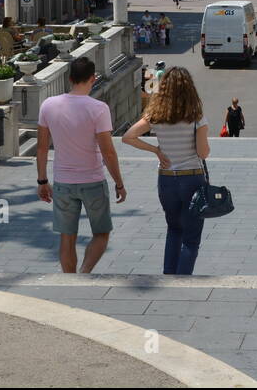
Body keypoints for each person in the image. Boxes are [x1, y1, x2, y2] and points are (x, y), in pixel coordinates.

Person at [37, 57, 126, 274]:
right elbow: (108, 151)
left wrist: (42, 181)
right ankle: (85, 272)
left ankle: (69, 279)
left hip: (63, 183)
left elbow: (41, 148)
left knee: (67, 238)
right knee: (102, 233)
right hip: (93, 180)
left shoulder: (48, 105)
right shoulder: (99, 108)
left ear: (69, 78)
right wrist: (119, 183)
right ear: (93, 79)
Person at [121, 67, 210, 276]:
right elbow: (203, 153)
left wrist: (156, 150)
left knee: (174, 229)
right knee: (191, 237)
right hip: (192, 178)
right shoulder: (196, 117)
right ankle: (183, 278)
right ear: (189, 89)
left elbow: (128, 136)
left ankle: (169, 275)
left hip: (167, 180)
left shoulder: (156, 116)